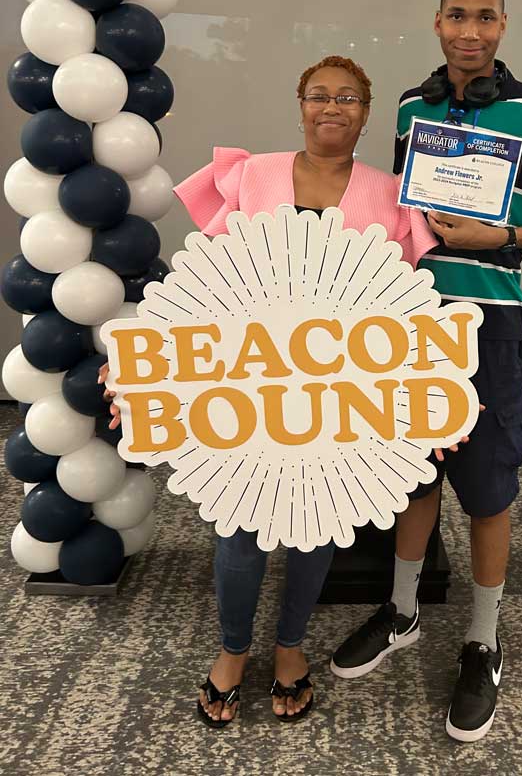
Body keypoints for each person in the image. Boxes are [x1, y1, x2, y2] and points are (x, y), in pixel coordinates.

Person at [102, 56, 439, 729]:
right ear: (301, 104)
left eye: (348, 97)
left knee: (314, 523)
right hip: (250, 380)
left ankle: (290, 647)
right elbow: (209, 281)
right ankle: (233, 650)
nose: (332, 106)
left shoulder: (390, 192)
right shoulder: (254, 174)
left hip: (340, 387)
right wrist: (144, 367)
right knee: (241, 522)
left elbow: (405, 305)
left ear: (366, 113)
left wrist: (435, 386)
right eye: (319, 94)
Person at [330, 0, 522, 741]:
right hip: (414, 320)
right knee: (413, 473)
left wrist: (501, 235)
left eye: (486, 17)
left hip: (490, 323)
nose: (471, 31)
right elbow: (405, 214)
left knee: (486, 485)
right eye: (458, 16)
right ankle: (406, 611)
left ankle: (483, 639)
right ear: (438, 21)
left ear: (503, 26)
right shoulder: (414, 107)